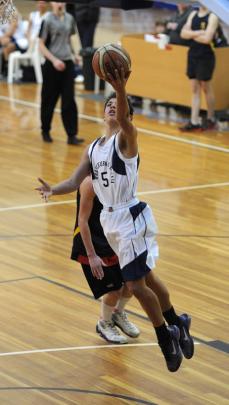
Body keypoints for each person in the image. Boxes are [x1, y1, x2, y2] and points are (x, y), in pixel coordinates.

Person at [36, 67, 194, 372]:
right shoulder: (94, 148)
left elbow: (123, 116)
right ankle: (178, 320)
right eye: (108, 102)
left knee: (133, 285)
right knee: (146, 278)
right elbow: (73, 182)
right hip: (110, 223)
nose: (112, 105)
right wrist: (52, 190)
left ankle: (166, 336)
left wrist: (121, 88)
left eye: (117, 105)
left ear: (126, 116)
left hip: (130, 216)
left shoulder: (127, 139)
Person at [71, 175, 140, 344]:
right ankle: (104, 323)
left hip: (113, 238)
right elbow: (83, 221)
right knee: (114, 290)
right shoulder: (89, 183)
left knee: (133, 282)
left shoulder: (118, 177)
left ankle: (117, 313)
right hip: (92, 243)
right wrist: (92, 255)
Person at [39, 2, 84, 145]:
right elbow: (41, 44)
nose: (59, 3)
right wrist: (53, 60)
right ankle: (45, 130)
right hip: (52, 65)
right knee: (49, 99)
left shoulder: (70, 18)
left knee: (69, 100)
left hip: (67, 64)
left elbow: (68, 39)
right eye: (56, 1)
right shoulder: (47, 20)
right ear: (51, 3)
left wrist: (74, 54)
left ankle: (72, 135)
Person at [180, 6, 219, 132]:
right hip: (193, 54)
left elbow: (207, 39)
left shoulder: (213, 16)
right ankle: (194, 121)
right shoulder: (193, 14)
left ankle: (211, 118)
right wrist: (198, 33)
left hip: (206, 55)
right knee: (194, 88)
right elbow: (183, 34)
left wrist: (191, 34)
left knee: (206, 87)